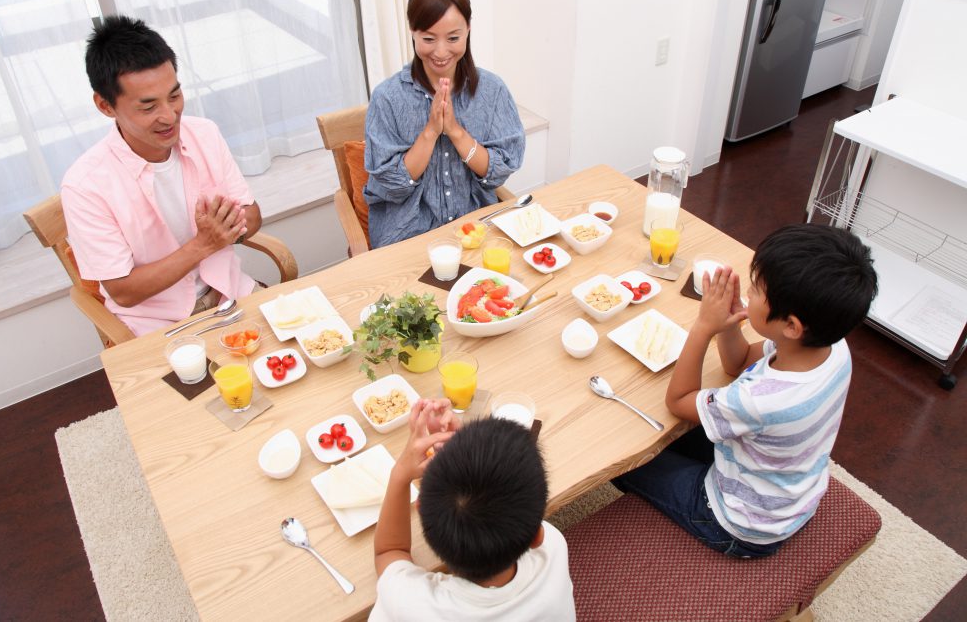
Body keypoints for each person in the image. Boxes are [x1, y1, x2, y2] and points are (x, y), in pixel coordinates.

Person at [612, 224, 877, 558]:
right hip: (788, 493)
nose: (748, 294)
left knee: (627, 458)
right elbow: (737, 363)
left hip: (739, 524)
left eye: (755, 291)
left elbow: (678, 401)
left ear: (792, 326)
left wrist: (703, 327)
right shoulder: (833, 347)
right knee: (667, 436)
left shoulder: (759, 400)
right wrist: (732, 321)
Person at [62, 15, 263, 336]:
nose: (169, 116)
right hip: (158, 328)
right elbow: (123, 291)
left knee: (309, 361)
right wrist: (204, 244)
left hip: (232, 295)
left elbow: (252, 217)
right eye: (148, 106)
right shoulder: (85, 185)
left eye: (174, 96)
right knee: (215, 386)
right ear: (105, 105)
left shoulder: (204, 134)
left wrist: (226, 232)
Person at [370, 400, 575, 621]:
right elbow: (505, 498)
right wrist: (463, 452)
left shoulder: (409, 603)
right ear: (537, 536)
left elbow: (389, 551)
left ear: (419, 508)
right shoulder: (553, 548)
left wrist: (400, 474)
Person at [364, 0, 525, 248]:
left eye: (453, 37)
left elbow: (499, 171)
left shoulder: (492, 90)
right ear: (412, 32)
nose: (440, 51)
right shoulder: (387, 98)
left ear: (468, 30)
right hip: (408, 237)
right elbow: (392, 184)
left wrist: (455, 131)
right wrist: (430, 131)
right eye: (428, 38)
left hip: (476, 229)